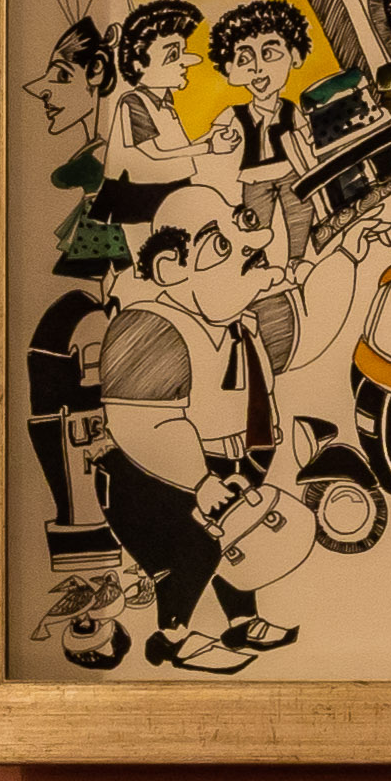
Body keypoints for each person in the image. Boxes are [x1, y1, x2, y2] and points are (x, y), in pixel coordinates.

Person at [86, 200, 292, 668]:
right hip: (153, 477)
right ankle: (171, 637)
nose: (250, 251)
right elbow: (143, 423)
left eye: (245, 231)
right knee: (194, 551)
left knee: (237, 544)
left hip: (230, 462)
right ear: (170, 268)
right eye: (221, 245)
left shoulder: (240, 324)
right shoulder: (148, 327)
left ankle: (241, 621)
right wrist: (199, 480)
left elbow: (258, 390)